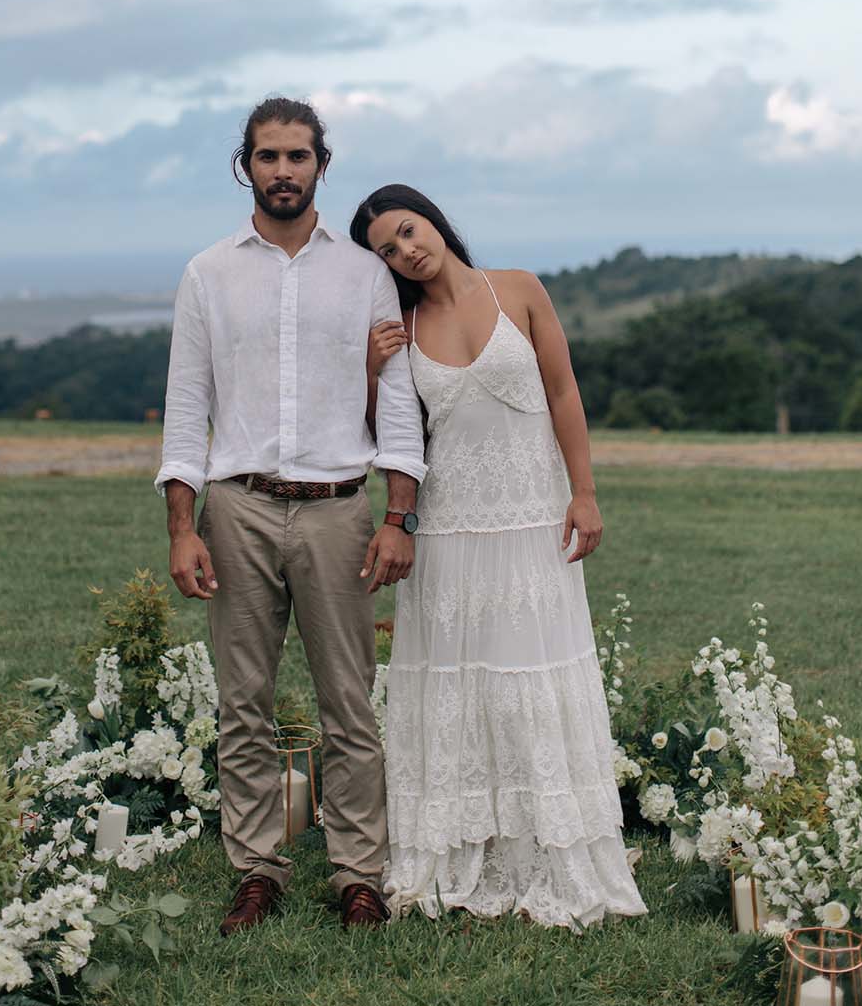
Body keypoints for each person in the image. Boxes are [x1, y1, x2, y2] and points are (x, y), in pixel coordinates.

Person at [156, 101, 426, 934]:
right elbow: (186, 405)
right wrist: (183, 525)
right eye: (269, 156)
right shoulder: (208, 272)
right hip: (235, 507)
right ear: (247, 163)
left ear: (321, 164)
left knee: (349, 699)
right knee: (244, 700)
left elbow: (402, 405)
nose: (284, 170)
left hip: (339, 511)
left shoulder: (366, 273)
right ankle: (257, 869)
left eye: (298, 156)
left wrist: (398, 517)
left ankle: (358, 875)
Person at [350, 185, 647, 929]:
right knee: (461, 685)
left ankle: (550, 853)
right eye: (386, 248)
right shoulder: (402, 327)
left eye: (408, 230)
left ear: (434, 222)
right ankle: (453, 853)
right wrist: (368, 370)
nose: (405, 250)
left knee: (531, 679)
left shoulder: (517, 289)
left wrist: (584, 492)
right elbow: (380, 436)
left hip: (533, 517)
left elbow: (563, 390)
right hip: (448, 528)